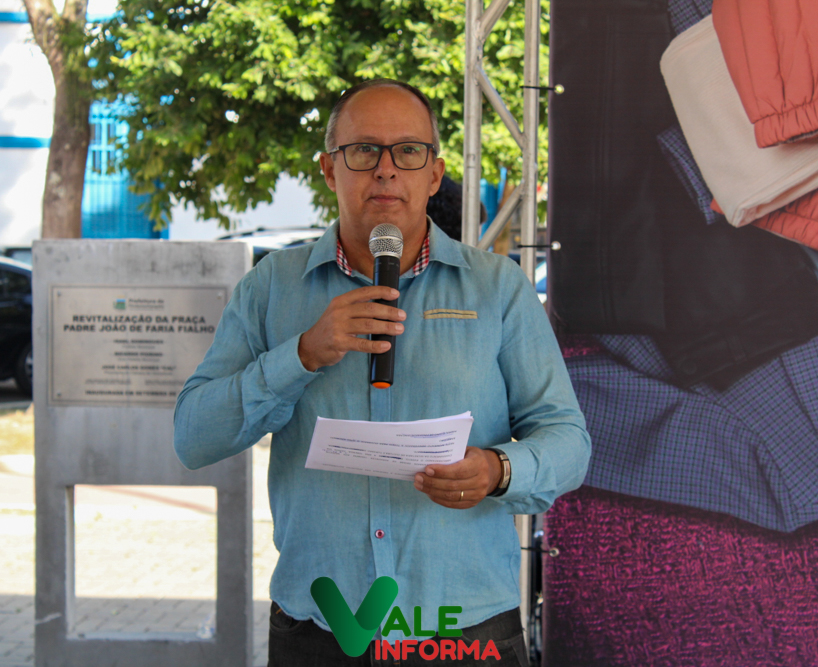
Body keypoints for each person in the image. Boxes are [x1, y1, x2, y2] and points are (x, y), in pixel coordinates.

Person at [173, 79, 591, 666]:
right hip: (321, 632)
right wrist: (301, 355)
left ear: (435, 174)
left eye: (408, 151)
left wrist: (498, 470)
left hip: (465, 632)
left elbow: (569, 441)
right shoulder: (270, 288)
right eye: (364, 150)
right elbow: (193, 437)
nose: (386, 169)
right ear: (329, 169)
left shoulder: (498, 289)